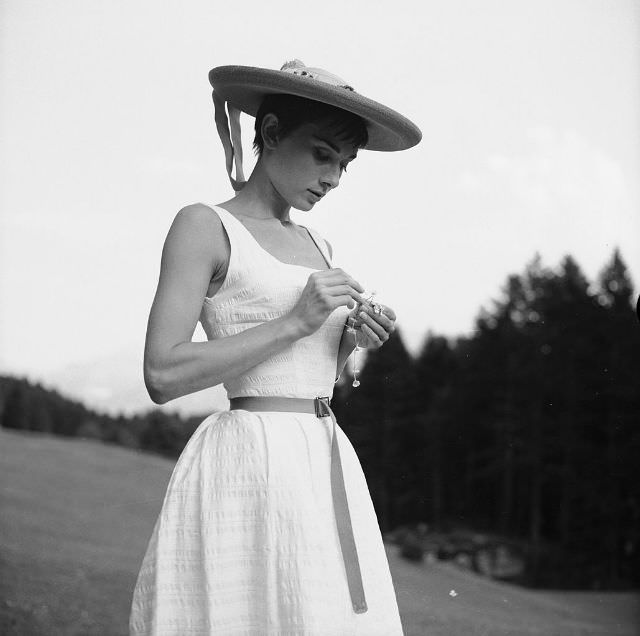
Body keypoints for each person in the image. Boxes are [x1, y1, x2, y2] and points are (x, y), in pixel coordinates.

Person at [129, 59, 421, 635]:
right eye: (321, 153)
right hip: (248, 463)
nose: (334, 177)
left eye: (344, 164)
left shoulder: (318, 241)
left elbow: (306, 376)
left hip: (322, 461)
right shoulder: (204, 225)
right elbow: (162, 373)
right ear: (269, 133)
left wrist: (349, 345)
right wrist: (297, 320)